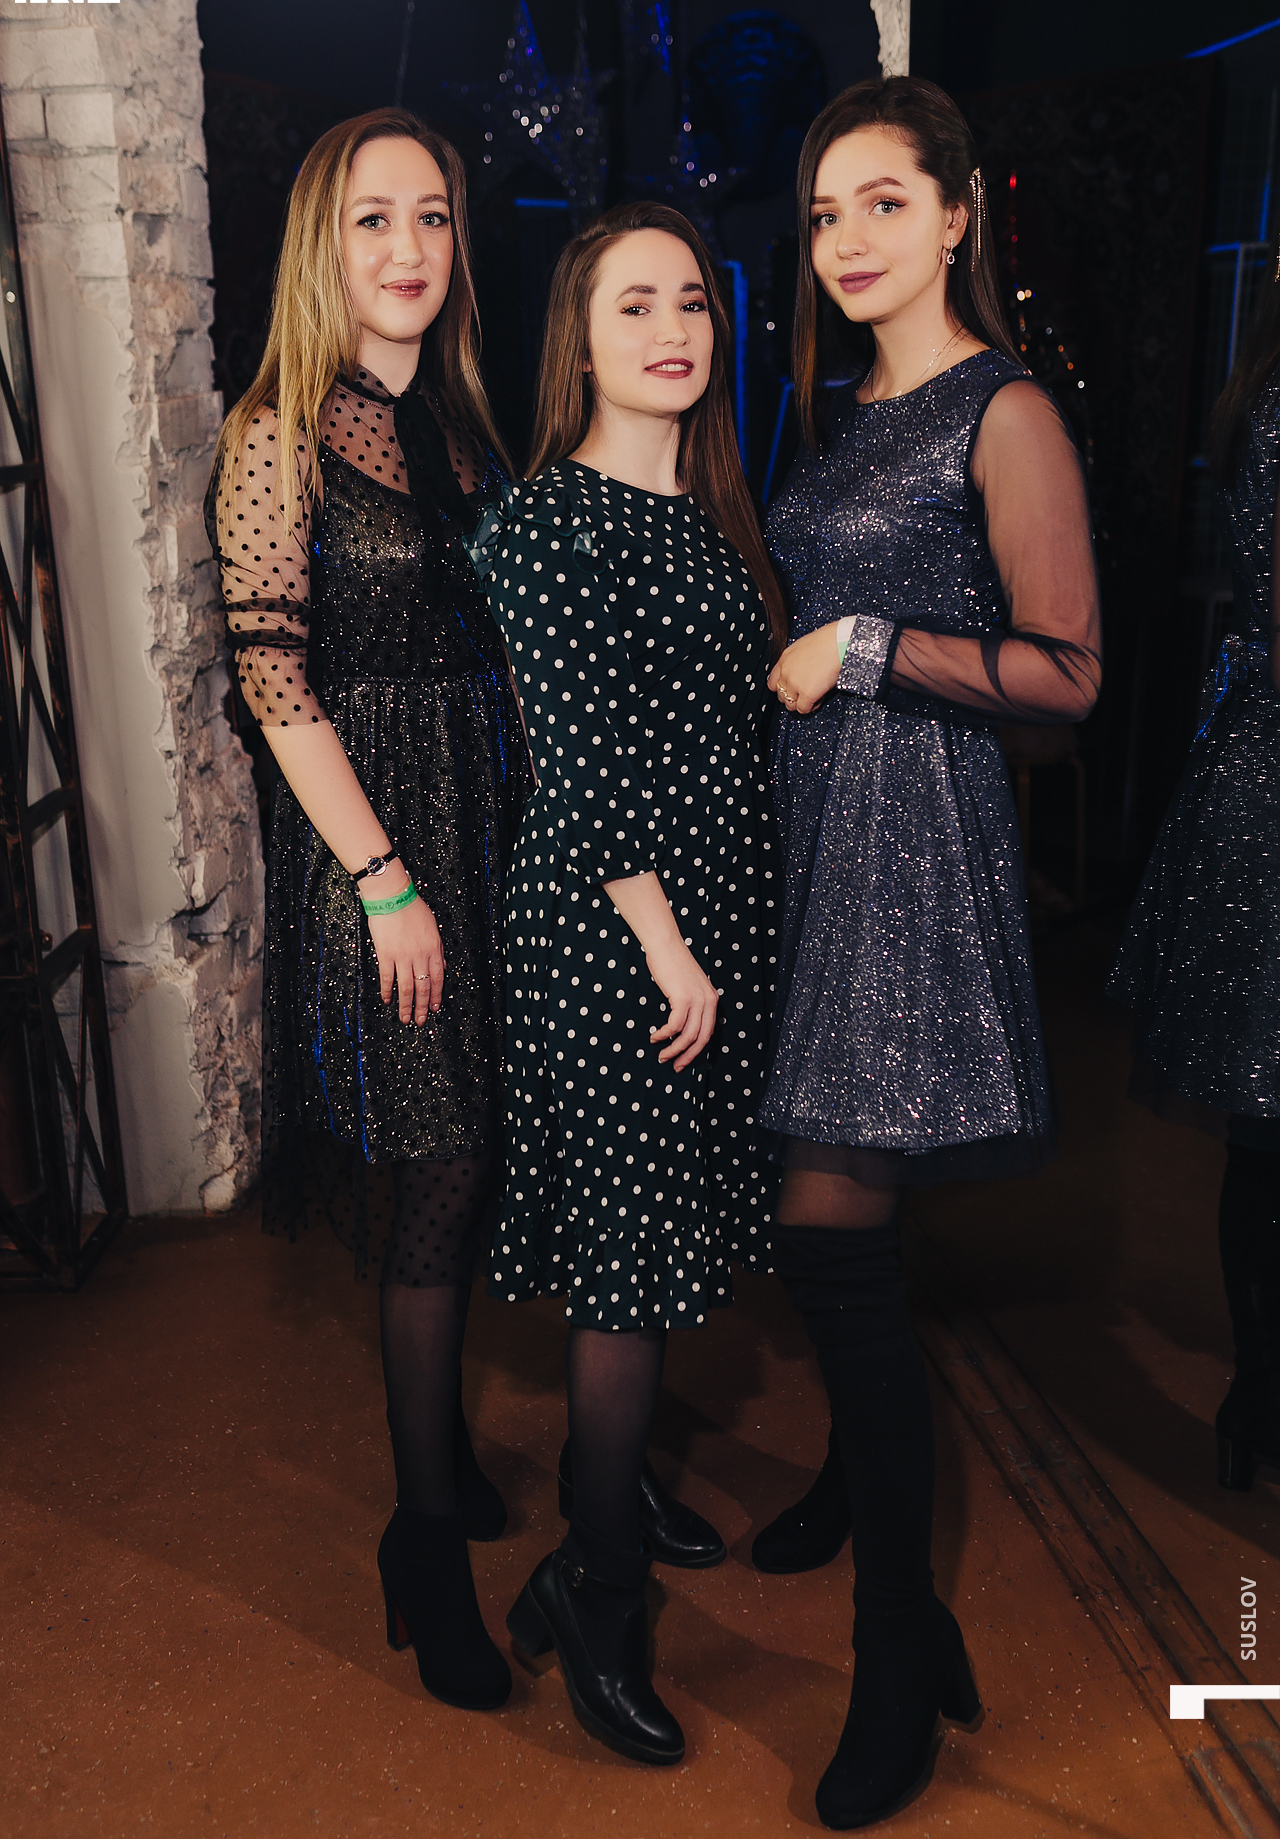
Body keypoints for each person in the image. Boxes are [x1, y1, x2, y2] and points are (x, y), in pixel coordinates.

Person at [758, 76, 1100, 1828]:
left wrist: (870, 646)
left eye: (883, 202)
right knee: (835, 1240)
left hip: (910, 853)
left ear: (959, 215)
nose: (848, 239)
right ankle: (866, 1508)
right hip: (818, 837)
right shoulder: (845, 410)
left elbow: (1068, 677)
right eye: (825, 213)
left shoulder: (1005, 410)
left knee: (831, 1240)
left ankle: (901, 1645)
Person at [210, 109, 531, 1713]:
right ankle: (425, 1543)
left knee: (470, 1161)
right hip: (375, 849)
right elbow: (274, 683)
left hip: (480, 826)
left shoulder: (463, 424)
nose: (408, 249)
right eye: (371, 221)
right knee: (442, 1166)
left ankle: (444, 1457)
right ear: (320, 249)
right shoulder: (276, 428)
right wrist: (387, 879)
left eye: (433, 217)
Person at [466, 202, 786, 1765]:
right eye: (633, 306)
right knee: (631, 1264)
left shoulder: (712, 509)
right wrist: (666, 945)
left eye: (691, 303)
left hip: (707, 916)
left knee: (663, 1241)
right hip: (615, 933)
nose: (671, 330)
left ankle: (612, 1504)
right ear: (579, 345)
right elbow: (583, 765)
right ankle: (592, 1592)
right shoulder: (543, 522)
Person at [1108, 272, 1280, 1496]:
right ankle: (1260, 1397)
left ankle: (1254, 1402)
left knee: (1264, 1132)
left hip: (1252, 778)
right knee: (1266, 1130)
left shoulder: (1258, 395)